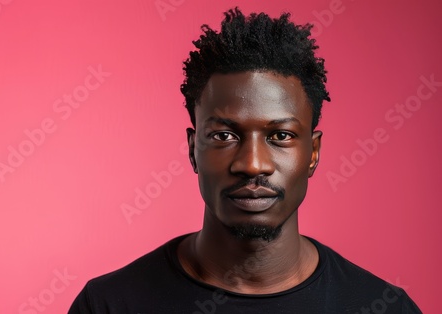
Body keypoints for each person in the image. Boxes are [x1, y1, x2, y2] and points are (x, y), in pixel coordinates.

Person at [69, 8, 421, 313]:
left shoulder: (385, 307)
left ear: (312, 153)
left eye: (280, 136)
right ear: (193, 149)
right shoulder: (108, 305)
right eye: (224, 136)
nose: (252, 165)